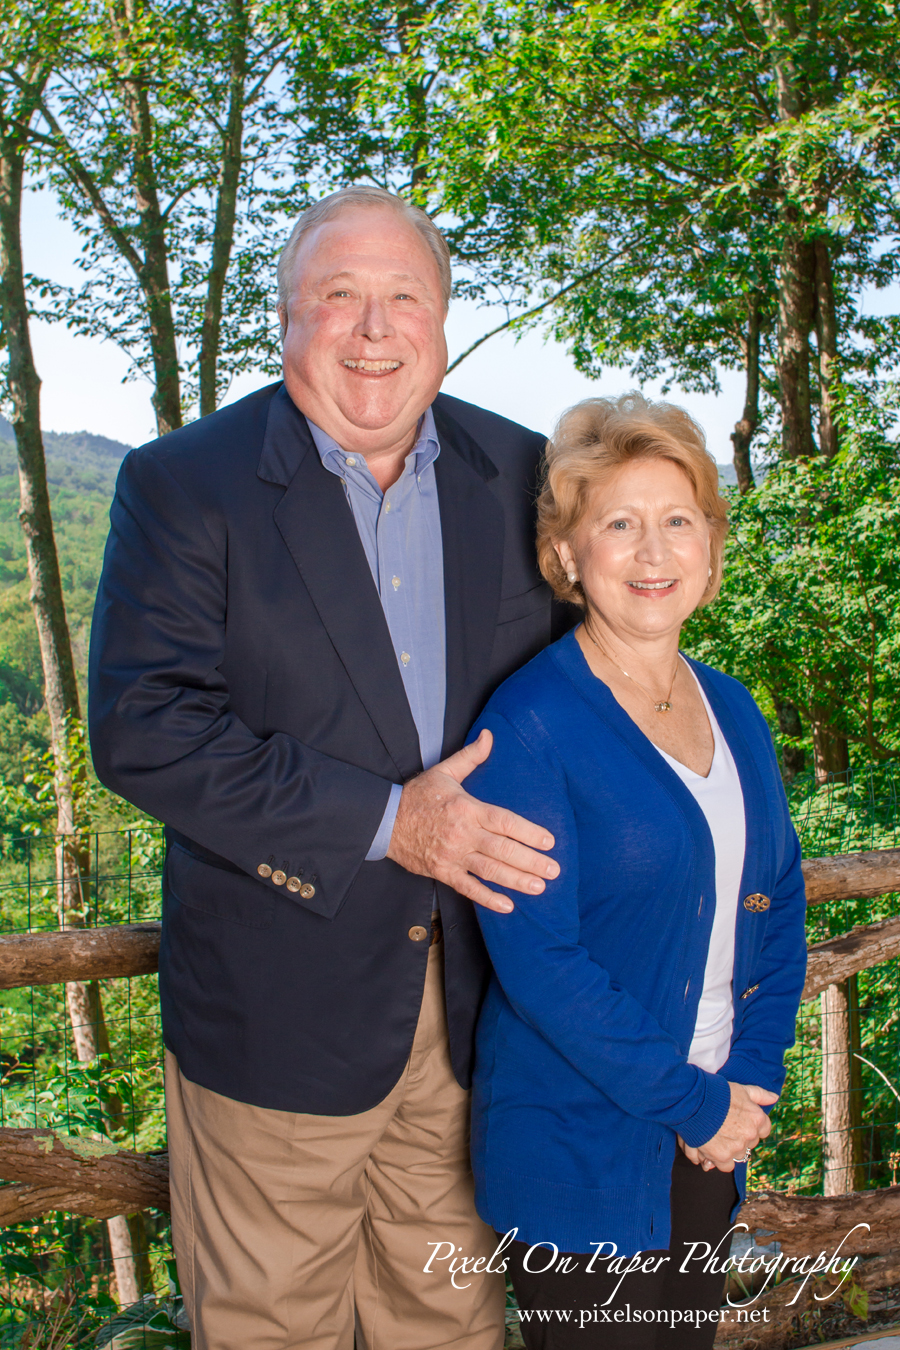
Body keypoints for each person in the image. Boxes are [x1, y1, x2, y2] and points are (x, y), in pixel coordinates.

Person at [88, 185, 572, 1350]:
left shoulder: (525, 476)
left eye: (403, 296)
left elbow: (593, 695)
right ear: (288, 319)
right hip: (275, 1013)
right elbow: (144, 725)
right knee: (270, 1332)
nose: (373, 328)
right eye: (339, 296)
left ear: (443, 318)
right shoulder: (182, 486)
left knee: (450, 1326)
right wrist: (386, 822)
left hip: (477, 1008)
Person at [463, 394, 808, 1349]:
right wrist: (698, 1104)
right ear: (567, 556)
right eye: (619, 524)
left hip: (710, 1136)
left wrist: (747, 1086)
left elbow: (775, 904)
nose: (652, 553)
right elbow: (544, 967)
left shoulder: (734, 710)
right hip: (579, 1148)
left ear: (709, 548)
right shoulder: (528, 726)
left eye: (676, 522)